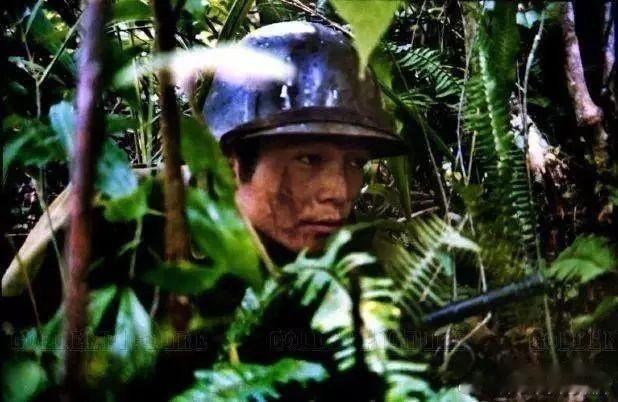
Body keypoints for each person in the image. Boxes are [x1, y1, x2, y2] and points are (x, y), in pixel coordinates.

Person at [203, 20, 408, 258]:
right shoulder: (173, 253)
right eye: (309, 160)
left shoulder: (355, 259)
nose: (339, 192)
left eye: (356, 163)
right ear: (229, 168)